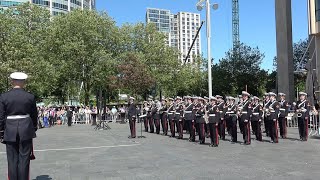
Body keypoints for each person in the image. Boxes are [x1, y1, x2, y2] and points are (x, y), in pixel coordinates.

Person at [0, 72, 38, 180]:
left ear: (12, 81)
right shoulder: (30, 96)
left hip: (10, 130)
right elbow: (34, 115)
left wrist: (1, 132)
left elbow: (1, 116)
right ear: (24, 83)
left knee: (12, 161)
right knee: (24, 161)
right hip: (26, 129)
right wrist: (33, 128)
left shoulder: (4, 96)